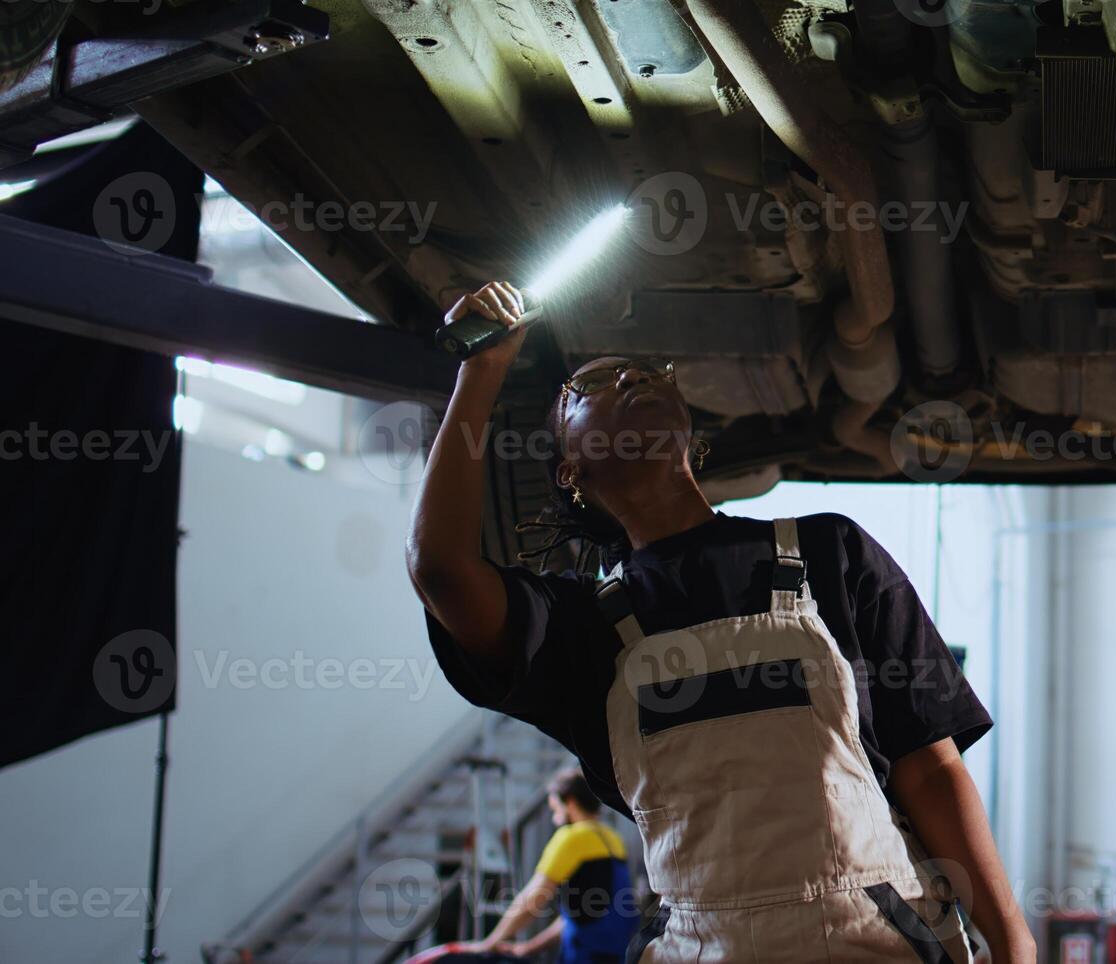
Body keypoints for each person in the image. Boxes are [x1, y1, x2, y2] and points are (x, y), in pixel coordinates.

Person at [407, 282, 1034, 963]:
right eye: (589, 386)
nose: (626, 379)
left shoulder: (831, 552)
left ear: (690, 437)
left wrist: (1013, 942)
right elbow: (440, 569)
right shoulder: (578, 627)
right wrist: (482, 371)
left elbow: (930, 770)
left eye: (644, 375)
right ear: (571, 472)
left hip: (880, 940)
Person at [461, 768, 636, 963]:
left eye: (555, 810)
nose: (555, 819)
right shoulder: (614, 839)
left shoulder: (571, 838)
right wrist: (529, 947)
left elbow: (532, 899)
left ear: (569, 802)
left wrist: (489, 943)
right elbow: (578, 917)